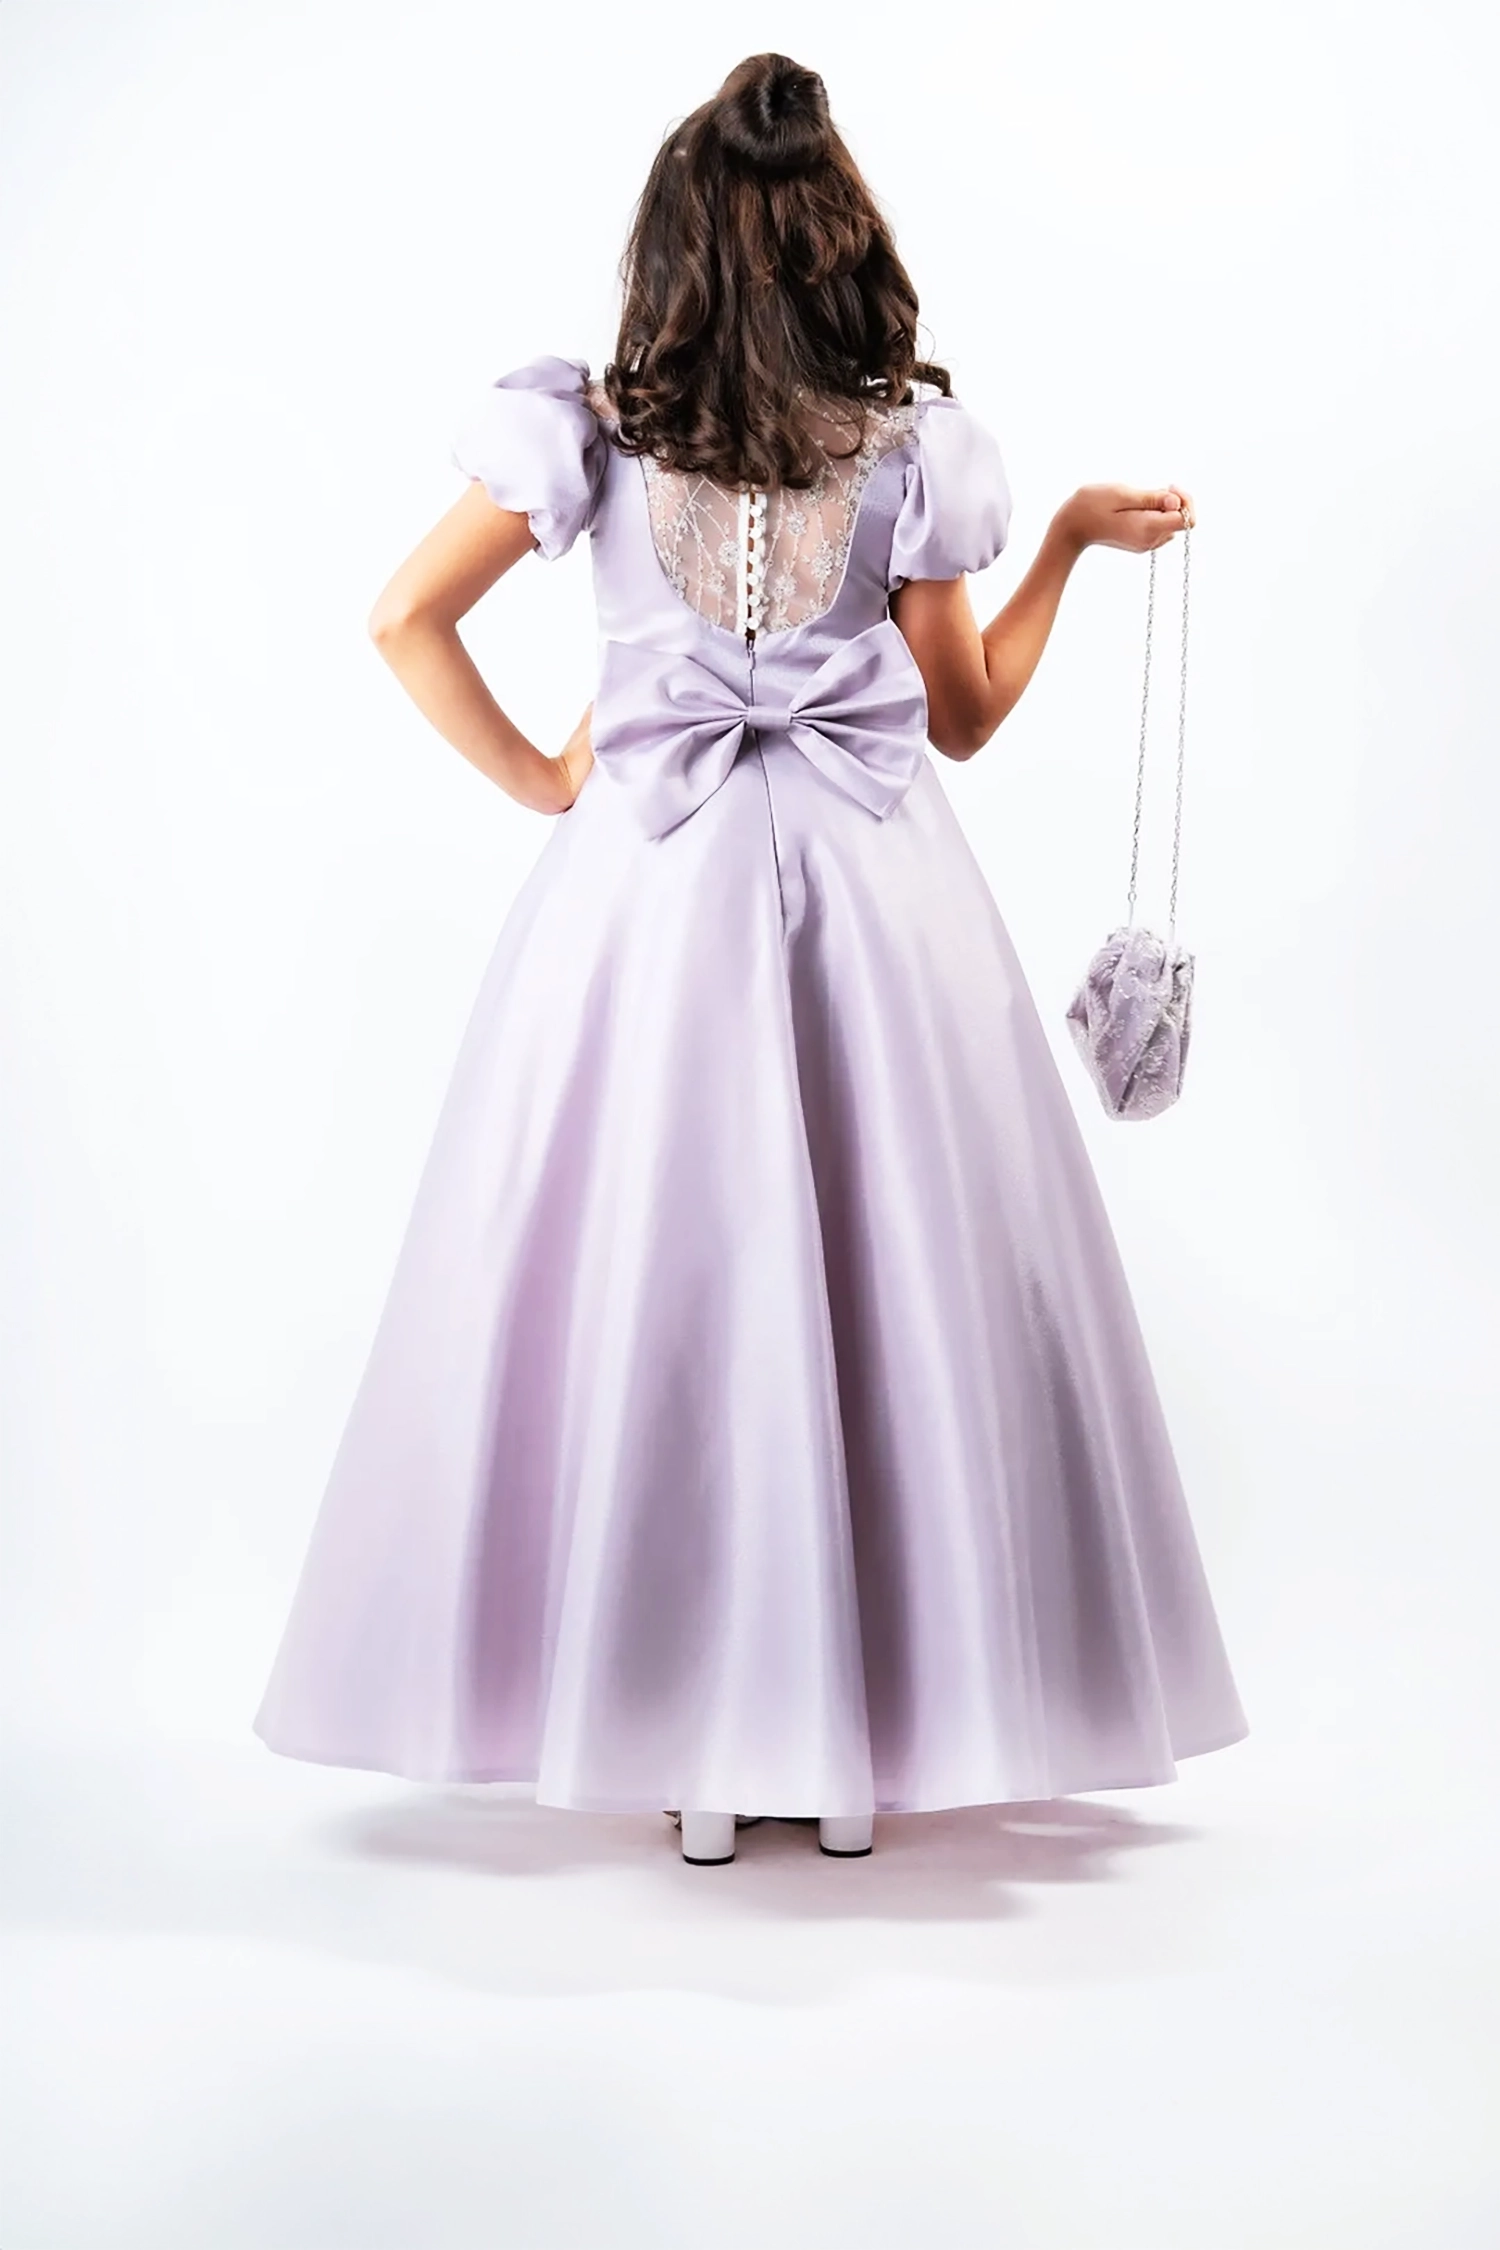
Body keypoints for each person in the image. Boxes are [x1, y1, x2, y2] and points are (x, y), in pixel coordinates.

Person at [253, 51, 1248, 1867]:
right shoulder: (908, 449)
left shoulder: (597, 434)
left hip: (647, 891)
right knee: (894, 1289)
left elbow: (403, 618)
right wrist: (1068, 547)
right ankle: (857, 1760)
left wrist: (554, 775)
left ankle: (684, 1743)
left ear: (675, 249)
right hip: (879, 895)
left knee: (662, 1284)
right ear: (840, 238)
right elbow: (965, 718)